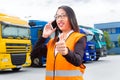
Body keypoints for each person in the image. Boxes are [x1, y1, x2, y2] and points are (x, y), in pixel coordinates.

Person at [31, 5, 86, 80]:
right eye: (57, 17)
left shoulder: (79, 37)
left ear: (71, 18)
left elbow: (78, 61)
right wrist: (44, 36)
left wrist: (66, 52)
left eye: (63, 16)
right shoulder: (52, 42)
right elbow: (34, 54)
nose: (59, 19)